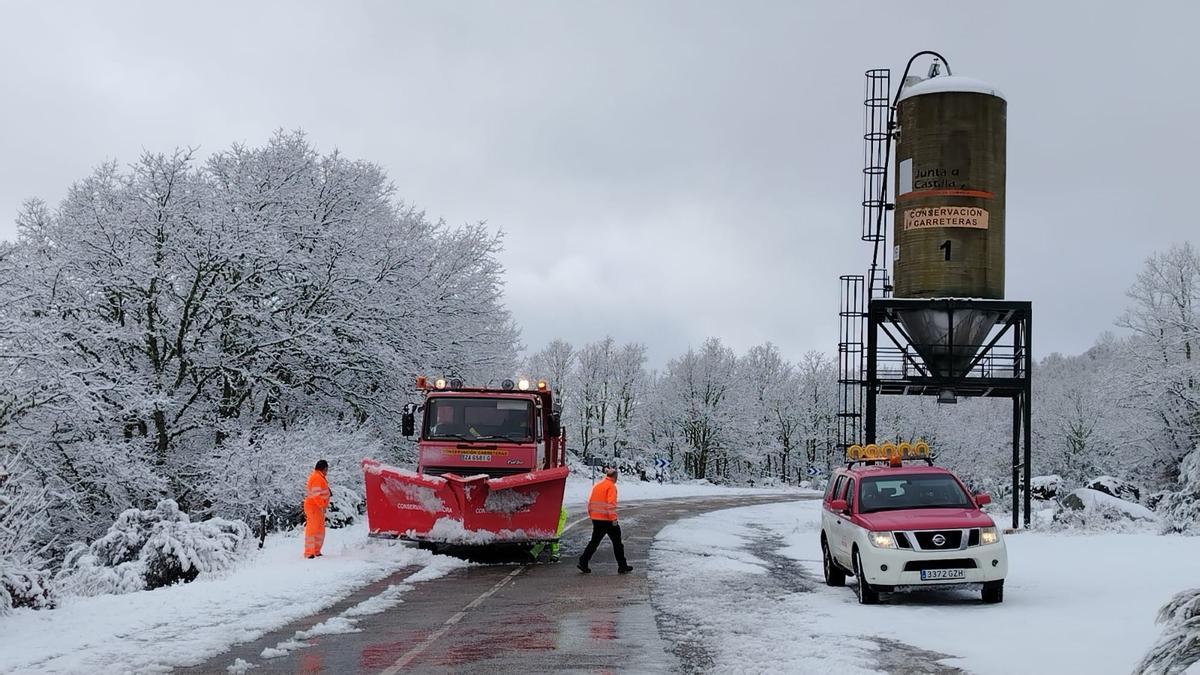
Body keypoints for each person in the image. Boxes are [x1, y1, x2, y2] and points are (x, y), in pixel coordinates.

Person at [578, 467, 633, 574]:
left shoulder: (597, 486)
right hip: (607, 520)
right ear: (615, 477)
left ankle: (583, 561)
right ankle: (622, 566)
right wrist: (614, 519)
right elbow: (610, 504)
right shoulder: (611, 487)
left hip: (596, 519)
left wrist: (592, 515)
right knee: (617, 543)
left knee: (594, 542)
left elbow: (590, 502)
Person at [304, 459, 332, 559]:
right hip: (314, 507)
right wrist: (322, 505)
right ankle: (309, 552)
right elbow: (316, 495)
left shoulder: (319, 477)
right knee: (313, 529)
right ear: (324, 469)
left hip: (317, 507)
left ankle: (316, 551)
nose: (327, 472)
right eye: (327, 470)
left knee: (319, 530)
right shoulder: (317, 478)